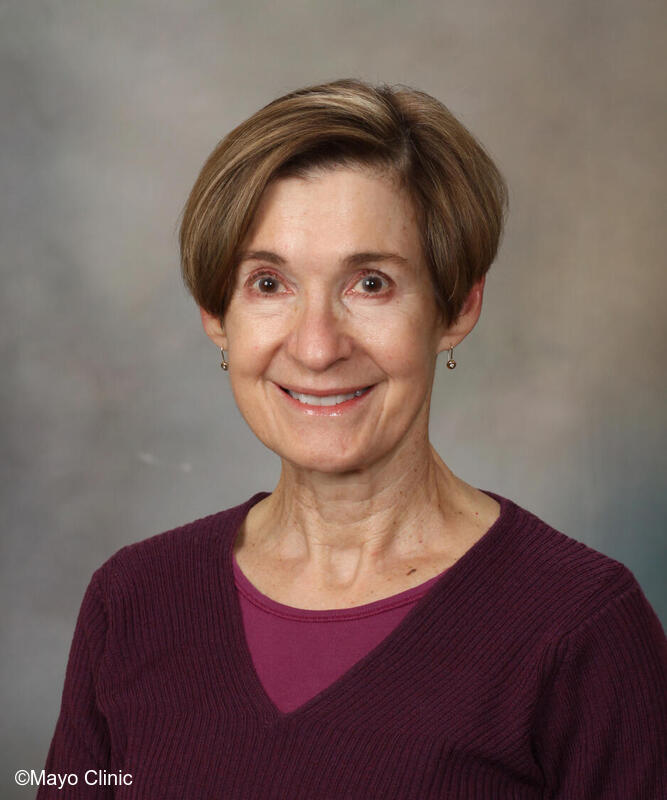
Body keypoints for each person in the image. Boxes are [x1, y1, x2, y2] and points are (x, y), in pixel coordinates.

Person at [39, 79, 666, 799]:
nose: (316, 347)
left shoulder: (580, 626)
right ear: (216, 314)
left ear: (457, 307)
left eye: (370, 284)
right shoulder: (133, 602)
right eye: (268, 284)